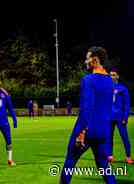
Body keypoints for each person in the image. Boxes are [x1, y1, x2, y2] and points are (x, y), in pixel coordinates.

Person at [60, 46, 116, 184]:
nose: (85, 61)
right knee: (104, 167)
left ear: (95, 60)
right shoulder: (110, 81)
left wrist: (82, 132)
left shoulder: (88, 79)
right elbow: (108, 108)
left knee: (70, 162)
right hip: (103, 131)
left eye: (87, 58)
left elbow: (87, 107)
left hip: (87, 129)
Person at [107, 69, 133, 164]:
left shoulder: (123, 88)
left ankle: (128, 156)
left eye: (113, 75)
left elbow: (126, 104)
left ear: (117, 76)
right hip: (109, 117)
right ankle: (110, 156)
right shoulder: (107, 88)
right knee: (109, 137)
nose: (111, 77)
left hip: (120, 117)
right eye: (110, 75)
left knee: (124, 137)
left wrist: (125, 117)